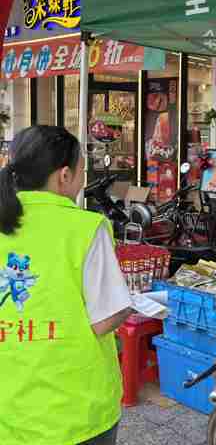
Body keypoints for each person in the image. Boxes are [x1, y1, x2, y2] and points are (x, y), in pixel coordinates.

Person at [0, 126, 132, 445]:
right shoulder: (85, 228)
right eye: (81, 173)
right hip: (75, 411)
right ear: (64, 176)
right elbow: (106, 318)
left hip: (9, 408)